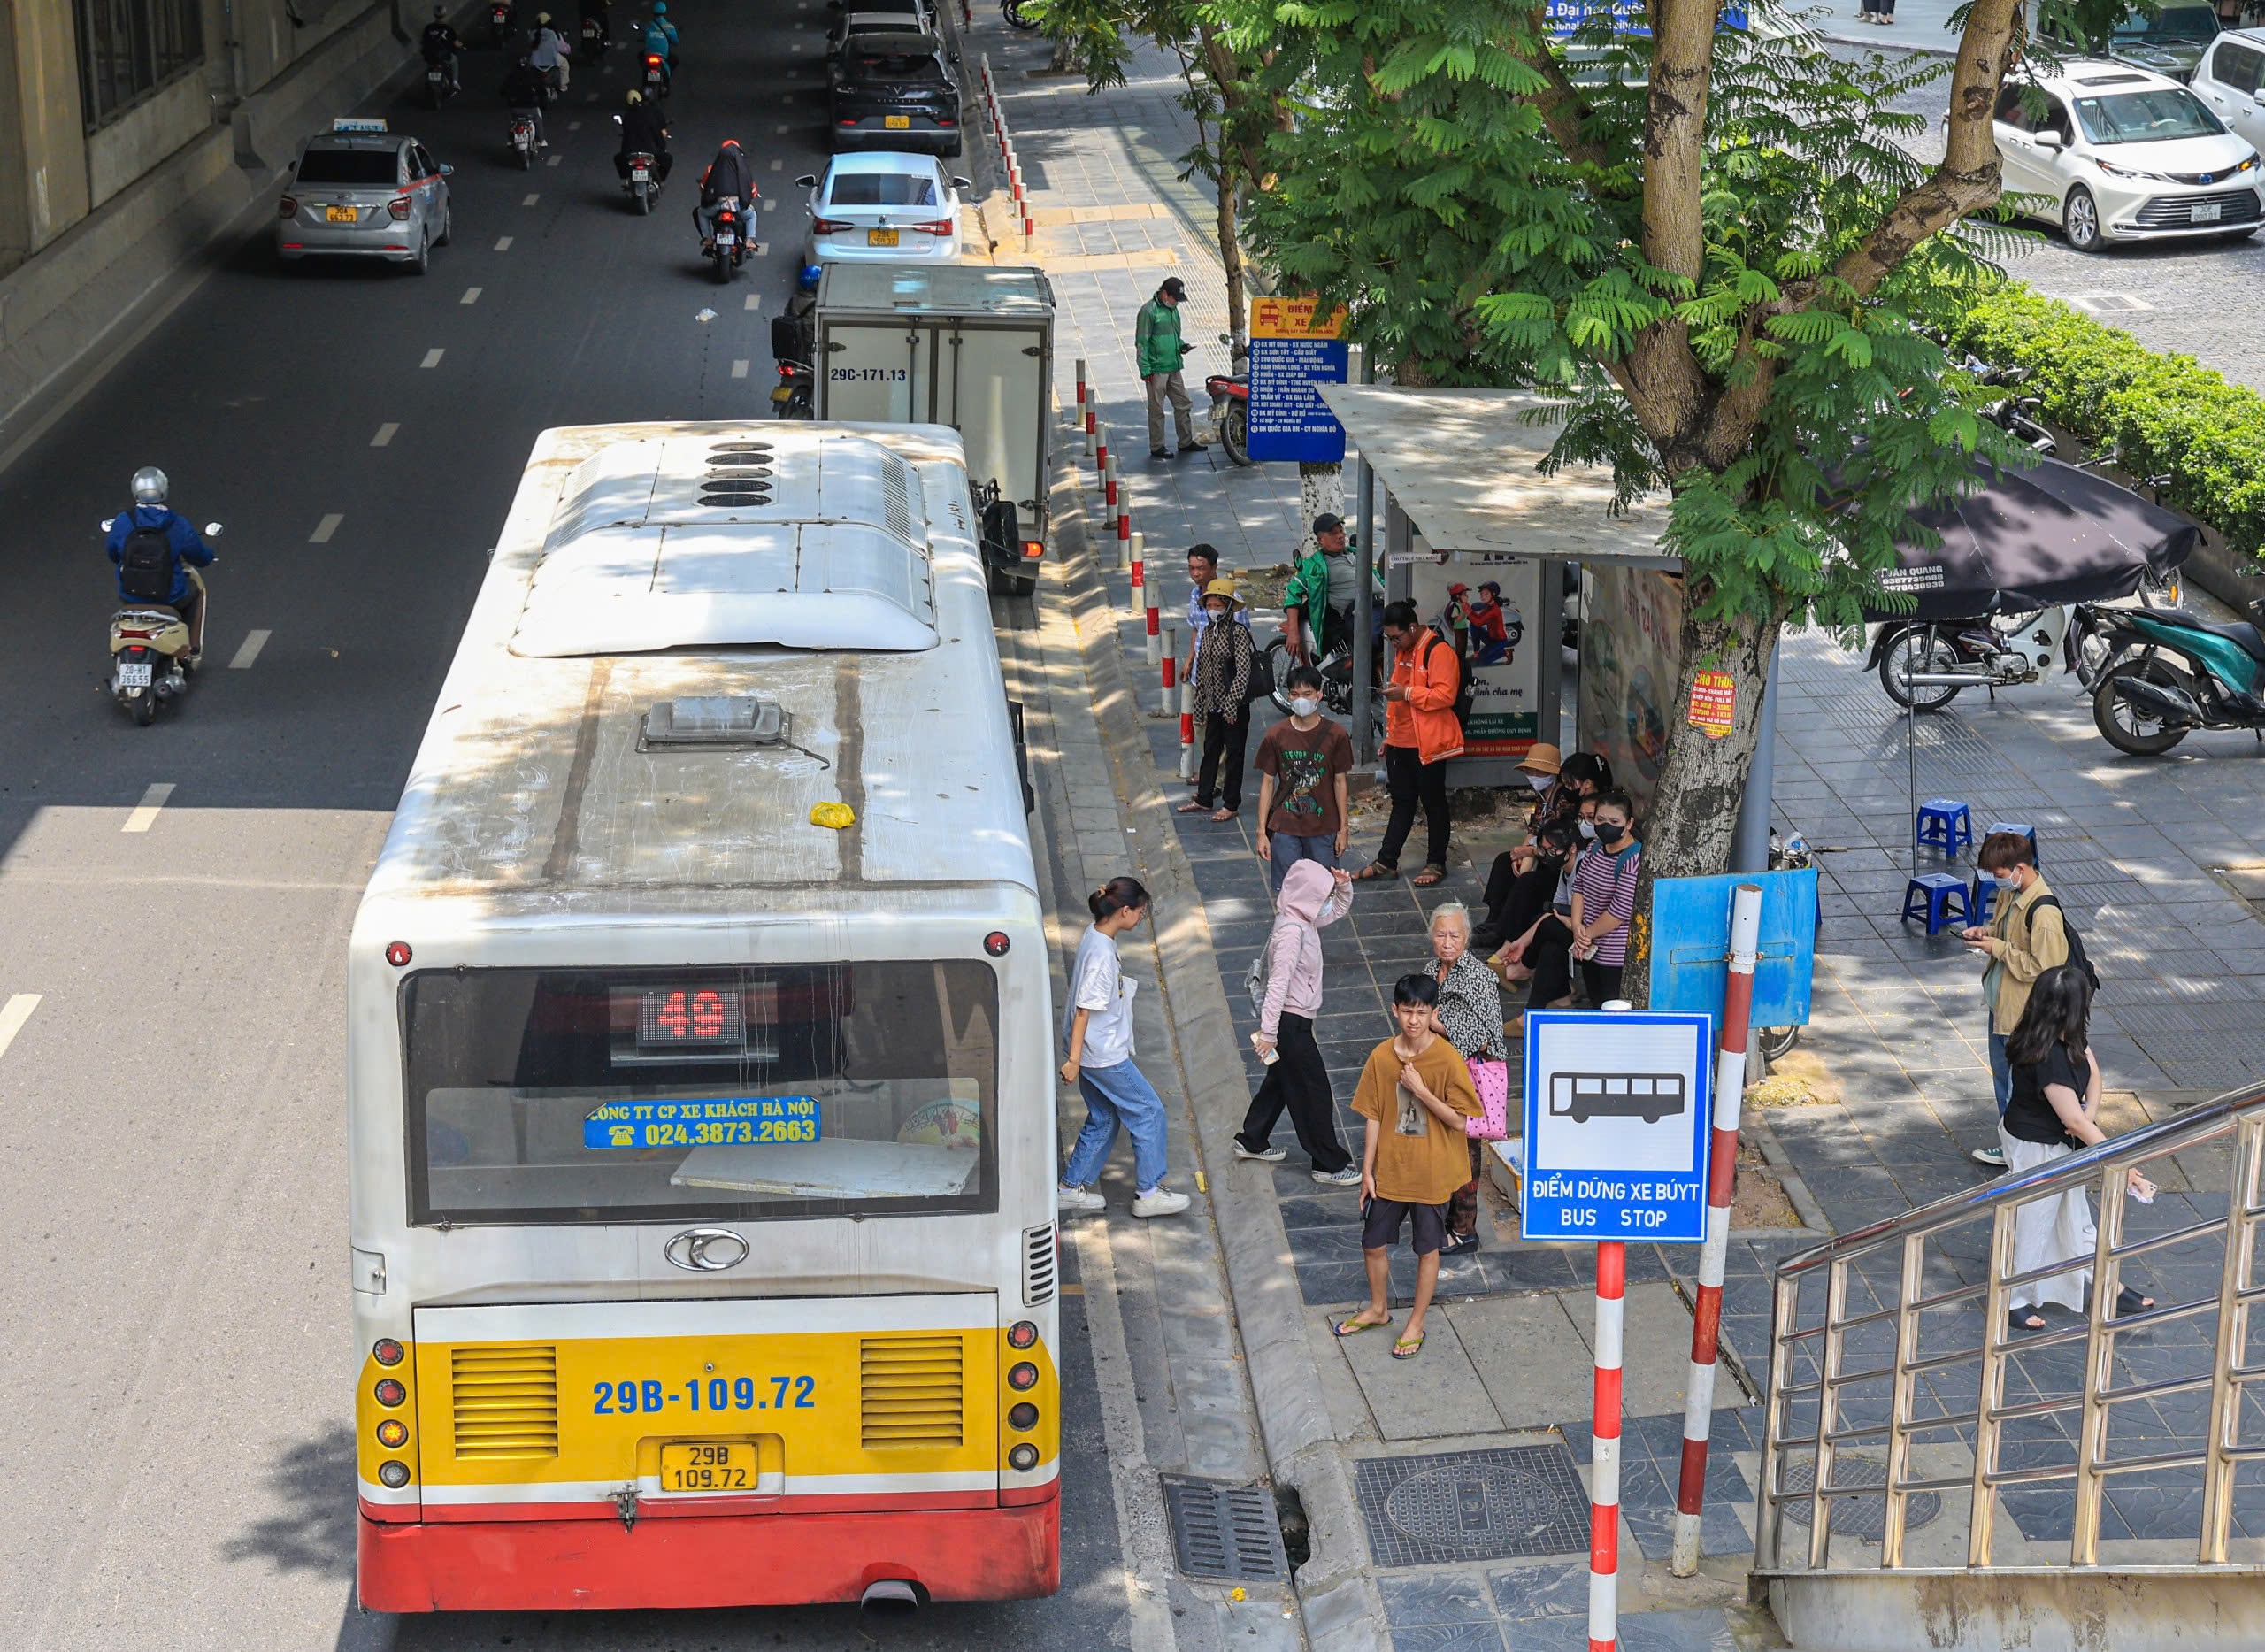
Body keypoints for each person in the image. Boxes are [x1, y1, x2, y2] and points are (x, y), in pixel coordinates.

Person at [1333, 974, 1481, 1360]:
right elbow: (1373, 1115)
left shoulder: (1447, 1058)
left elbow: (1461, 1121)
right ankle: (1379, 1309)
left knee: (1427, 1249)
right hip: (1391, 1170)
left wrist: (1421, 1090)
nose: (1414, 1020)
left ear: (1433, 1014)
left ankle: (1416, 1322)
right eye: (1407, 1012)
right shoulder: (1382, 1056)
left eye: (1422, 1012)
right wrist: (1367, 1171)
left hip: (1431, 1173)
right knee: (1372, 1243)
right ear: (1395, 1011)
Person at [2000, 965, 2154, 1332]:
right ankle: (2012, 1299)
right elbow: (2075, 1122)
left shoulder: (2063, 1035)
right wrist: (2122, 1165)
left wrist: (2090, 1113)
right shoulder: (2048, 1055)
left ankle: (2109, 1285)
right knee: (2034, 1226)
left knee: (2075, 1219)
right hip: (2036, 1148)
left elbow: (2093, 1077)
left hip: (2057, 1144)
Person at [1058, 878, 1190, 1218]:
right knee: (1148, 1111)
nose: (1142, 917)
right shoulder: (1102, 954)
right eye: (1140, 912)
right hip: (1101, 1054)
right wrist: (1074, 1060)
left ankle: (1070, 1188)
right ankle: (1148, 1192)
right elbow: (1085, 1009)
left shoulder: (1096, 934)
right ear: (1124, 910)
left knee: (1103, 1118)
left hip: (1092, 1050)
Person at [1237, 861, 1359, 1183]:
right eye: (1321, 894)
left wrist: (1343, 886)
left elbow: (1337, 910)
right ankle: (1327, 1163)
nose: (1324, 901)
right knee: (1312, 1091)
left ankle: (1251, 1139)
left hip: (1292, 1021)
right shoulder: (1292, 932)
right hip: (1290, 1025)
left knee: (1280, 1083)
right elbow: (1277, 985)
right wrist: (1269, 1033)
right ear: (1307, 895)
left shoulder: (1299, 917)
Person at [1961, 830, 2069, 1171]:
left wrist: (1999, 949)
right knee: (2002, 1078)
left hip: (2024, 1013)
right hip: (2002, 1007)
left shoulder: (2044, 912)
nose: (1997, 881)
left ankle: (2019, 1153)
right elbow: (2004, 931)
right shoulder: (2013, 894)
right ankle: (2010, 1145)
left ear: (2020, 868)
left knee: (2017, 1086)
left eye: (2000, 875)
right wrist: (1985, 933)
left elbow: (2044, 968)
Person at [1355, 600, 1463, 889]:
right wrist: (1389, 737)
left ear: (1412, 628)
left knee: (1433, 803)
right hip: (1400, 743)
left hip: (1428, 745)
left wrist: (1408, 693)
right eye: (1388, 638)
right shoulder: (1403, 650)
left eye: (1396, 637)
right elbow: (1396, 700)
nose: (1393, 644)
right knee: (1402, 802)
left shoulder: (1438, 651)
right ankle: (1386, 861)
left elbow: (1445, 696)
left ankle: (1436, 862)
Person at [1424, 903, 1507, 1256]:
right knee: (1439, 1148)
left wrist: (1437, 1024)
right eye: (1440, 934)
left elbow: (1487, 1036)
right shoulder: (1430, 970)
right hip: (1436, 1074)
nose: (1447, 942)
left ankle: (1464, 1230)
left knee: (1465, 1151)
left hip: (1466, 1078)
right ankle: (1443, 1220)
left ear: (1467, 938)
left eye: (1454, 935)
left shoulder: (1479, 977)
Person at [1492, 798, 1595, 1028]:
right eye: (1544, 850)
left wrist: (1565, 922)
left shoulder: (1585, 868)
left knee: (1549, 927)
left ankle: (1525, 974)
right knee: (1550, 944)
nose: (1548, 855)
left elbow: (1577, 917)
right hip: (1570, 927)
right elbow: (1558, 909)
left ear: (1572, 849)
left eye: (1554, 850)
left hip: (1591, 935)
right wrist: (1521, 941)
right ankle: (1554, 1002)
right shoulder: (1564, 870)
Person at [1253, 664, 1354, 894]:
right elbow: (1267, 784)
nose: (1301, 700)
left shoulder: (1336, 735)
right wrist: (1261, 832)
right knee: (1288, 893)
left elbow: (1340, 782)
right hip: (1285, 826)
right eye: (1295, 694)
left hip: (1323, 827)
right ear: (1288, 695)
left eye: (1307, 694)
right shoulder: (1275, 736)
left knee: (1323, 892)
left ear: (1319, 695)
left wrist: (1343, 829)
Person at [106, 467, 216, 662]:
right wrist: (209, 556)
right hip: (170, 596)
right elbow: (199, 556)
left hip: (129, 593)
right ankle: (192, 648)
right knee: (195, 592)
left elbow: (113, 554)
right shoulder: (178, 524)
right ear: (164, 490)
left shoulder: (123, 521)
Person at [1179, 579, 1256, 822]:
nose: (1212, 609)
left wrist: (1231, 703)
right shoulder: (1208, 632)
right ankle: (1203, 798)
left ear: (1227, 606)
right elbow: (1202, 668)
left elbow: (1244, 671)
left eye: (1217, 604)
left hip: (1235, 706)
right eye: (1209, 604)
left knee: (1234, 754)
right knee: (1210, 751)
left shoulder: (1238, 632)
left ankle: (1231, 803)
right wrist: (1201, 702)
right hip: (1212, 704)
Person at [1568, 789, 1641, 1005]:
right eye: (1600, 819)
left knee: (1611, 1006)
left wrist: (1585, 935)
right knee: (1595, 1001)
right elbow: (1579, 888)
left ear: (1628, 823)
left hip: (1615, 954)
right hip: (1589, 947)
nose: (1605, 825)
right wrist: (1576, 926)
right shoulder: (1594, 848)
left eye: (1614, 820)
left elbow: (1620, 910)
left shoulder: (1633, 858)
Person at [1474, 818, 1577, 958]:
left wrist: (1531, 852)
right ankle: (1496, 924)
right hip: (1545, 857)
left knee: (1529, 884)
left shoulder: (1581, 869)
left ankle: (1507, 943)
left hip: (1577, 925)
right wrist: (1523, 854)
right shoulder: (1564, 872)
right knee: (1504, 861)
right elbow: (1534, 834)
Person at [1135, 276, 1200, 459]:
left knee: (1184, 404)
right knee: (1157, 409)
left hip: (1173, 365)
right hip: (1156, 369)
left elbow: (1172, 335)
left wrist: (1181, 345)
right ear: (1164, 294)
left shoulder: (1173, 310)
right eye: (1174, 299)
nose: (1176, 303)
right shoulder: (1149, 311)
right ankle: (1157, 446)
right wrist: (1145, 369)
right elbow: (1142, 341)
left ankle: (1186, 441)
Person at [1281, 513, 1343, 665]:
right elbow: (1292, 594)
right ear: (1321, 540)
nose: (1340, 536)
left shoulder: (1354, 555)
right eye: (1334, 533)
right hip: (1336, 620)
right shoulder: (1312, 566)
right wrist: (1294, 633)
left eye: (1341, 531)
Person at [694, 138, 756, 250]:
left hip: (717, 205)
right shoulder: (743, 170)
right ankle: (749, 241)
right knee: (752, 215)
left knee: (701, 213)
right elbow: (752, 190)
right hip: (737, 206)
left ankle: (708, 239)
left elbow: (704, 188)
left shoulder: (711, 169)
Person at [1184, 543, 1248, 636]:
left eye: (1201, 568)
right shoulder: (1195, 594)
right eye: (1192, 568)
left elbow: (1244, 635)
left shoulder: (1231, 599)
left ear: (1214, 568)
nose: (1195, 574)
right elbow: (1196, 629)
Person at [614, 88, 672, 181]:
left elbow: (626, 138)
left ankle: (627, 179)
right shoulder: (650, 113)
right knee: (668, 159)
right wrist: (662, 149)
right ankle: (659, 181)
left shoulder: (627, 116)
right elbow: (658, 135)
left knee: (618, 159)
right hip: (650, 151)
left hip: (630, 152)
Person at [1465, 580, 1517, 666]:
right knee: (1473, 625)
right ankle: (1477, 652)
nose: (1482, 597)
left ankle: (1505, 652)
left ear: (1493, 594)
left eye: (1485, 594)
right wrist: (1470, 613)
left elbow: (1479, 622)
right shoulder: (1488, 606)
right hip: (1491, 638)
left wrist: (1469, 613)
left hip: (1499, 641)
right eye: (1481, 594)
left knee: (1481, 662)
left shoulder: (1494, 609)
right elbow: (1478, 619)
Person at [500, 55, 549, 146]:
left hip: (515, 108)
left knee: (511, 121)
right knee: (537, 119)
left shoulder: (511, 77)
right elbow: (542, 91)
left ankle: (510, 140)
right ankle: (541, 140)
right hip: (531, 108)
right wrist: (543, 103)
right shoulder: (533, 76)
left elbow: (502, 91)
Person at [420, 6, 463, 94]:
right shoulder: (448, 28)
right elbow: (455, 43)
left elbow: (423, 41)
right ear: (444, 15)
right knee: (454, 60)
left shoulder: (428, 27)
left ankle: (428, 81)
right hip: (444, 55)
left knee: (429, 65)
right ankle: (455, 82)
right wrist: (460, 45)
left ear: (434, 14)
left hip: (430, 55)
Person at [529, 9, 571, 91]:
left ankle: (532, 87)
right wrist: (567, 49)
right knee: (565, 65)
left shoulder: (533, 33)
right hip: (552, 59)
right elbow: (560, 48)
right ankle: (563, 86)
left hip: (535, 61)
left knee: (529, 70)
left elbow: (530, 45)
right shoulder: (553, 33)